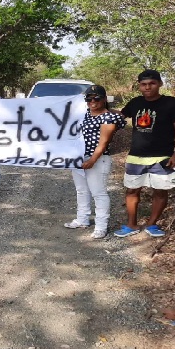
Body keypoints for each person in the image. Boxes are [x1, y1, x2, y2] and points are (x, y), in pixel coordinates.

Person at [114, 69, 175, 238]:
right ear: (139, 86)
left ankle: (152, 224)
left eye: (152, 83)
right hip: (136, 155)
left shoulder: (173, 103)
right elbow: (120, 116)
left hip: (163, 156)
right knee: (132, 190)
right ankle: (131, 224)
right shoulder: (135, 103)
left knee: (161, 191)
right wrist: (100, 110)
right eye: (144, 84)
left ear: (160, 84)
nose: (148, 87)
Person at [64, 85, 126, 239]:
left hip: (98, 159)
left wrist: (92, 160)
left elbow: (103, 143)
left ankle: (101, 226)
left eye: (96, 98)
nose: (92, 101)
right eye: (89, 98)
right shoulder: (83, 115)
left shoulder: (109, 117)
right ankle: (82, 219)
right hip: (79, 158)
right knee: (82, 190)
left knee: (98, 193)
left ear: (104, 99)